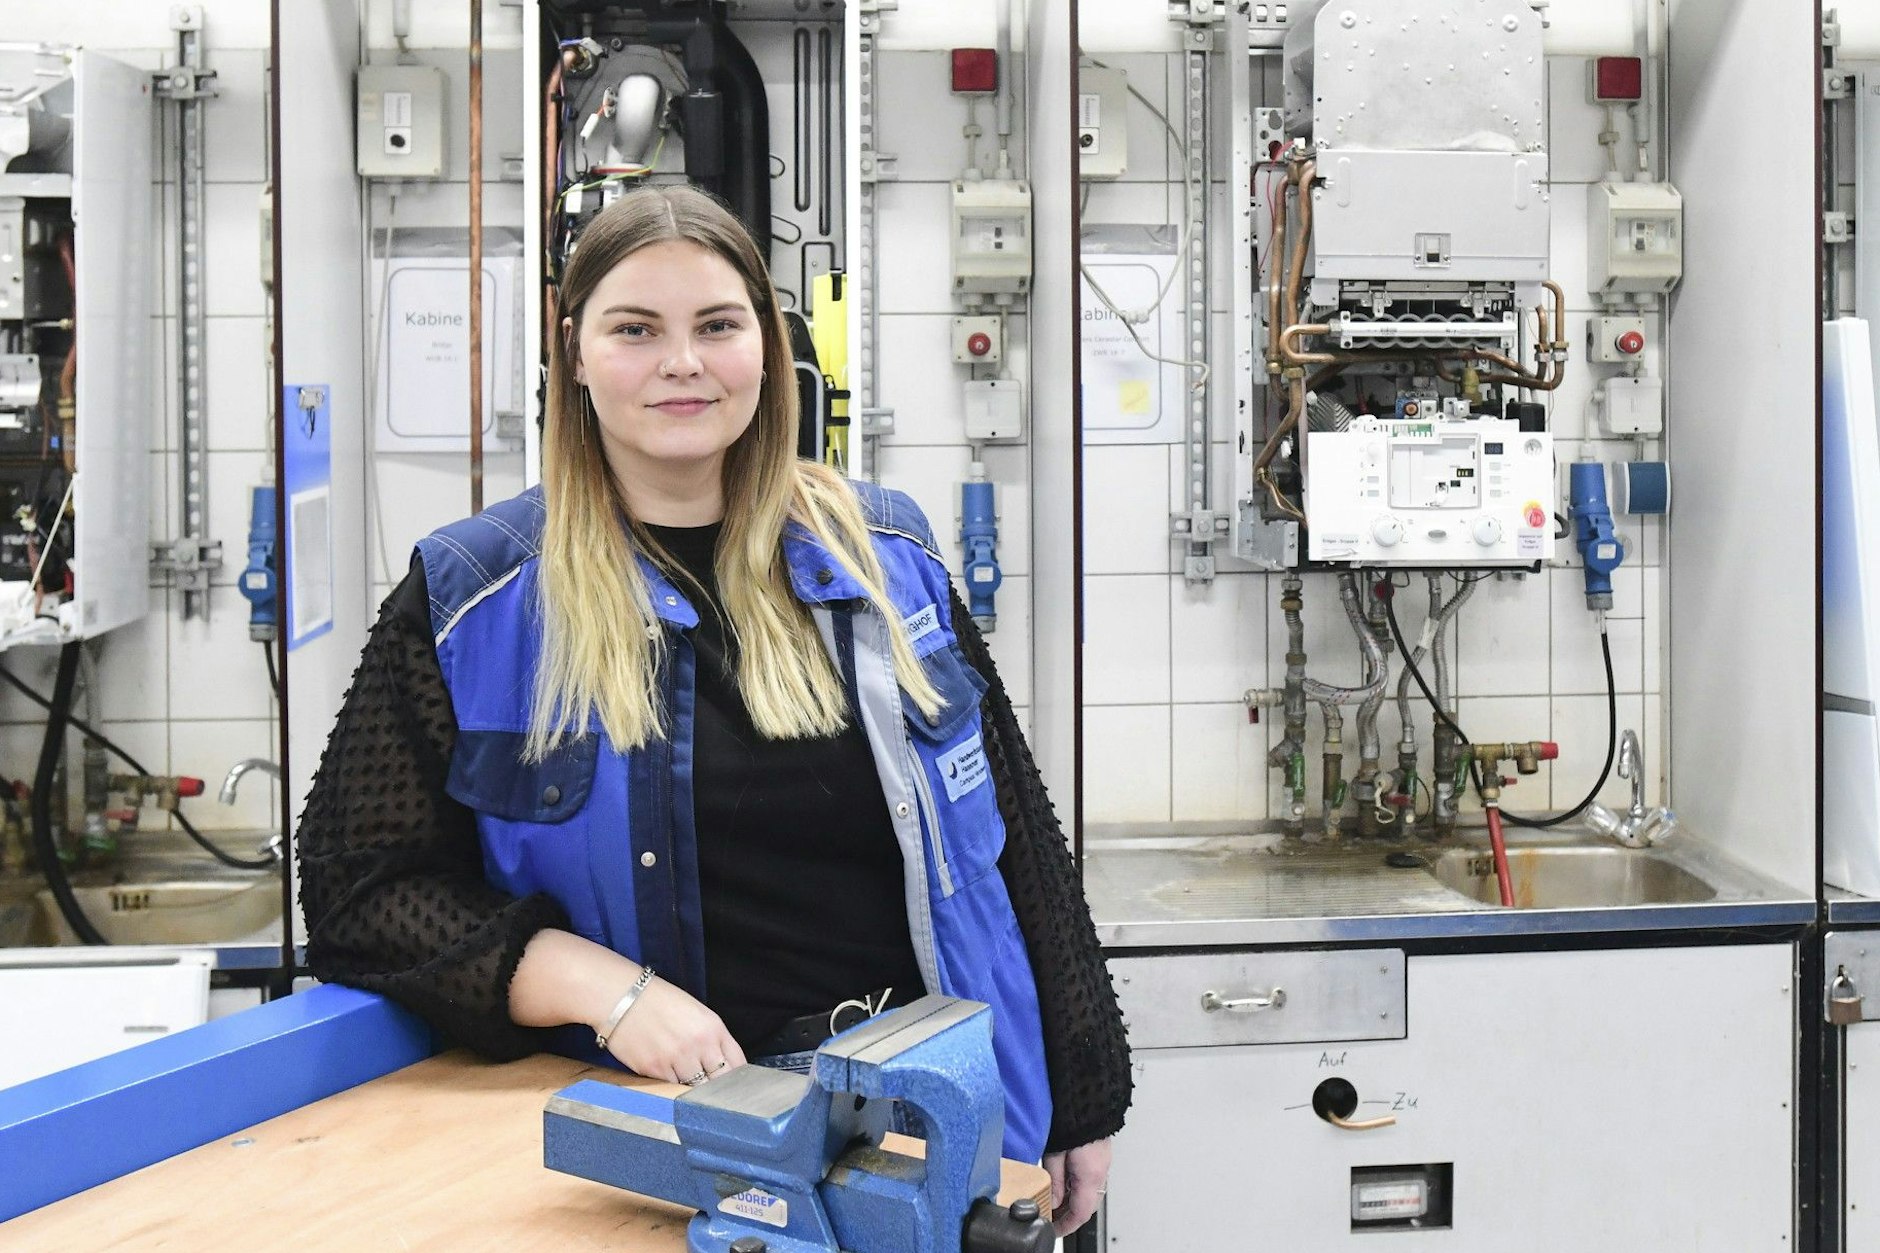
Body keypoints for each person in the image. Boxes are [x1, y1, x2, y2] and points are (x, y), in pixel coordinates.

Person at [297, 184, 1130, 1234]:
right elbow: (356, 892)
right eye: (636, 329)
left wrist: (1084, 1087)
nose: (682, 362)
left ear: (767, 349)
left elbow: (1018, 840)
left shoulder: (886, 554)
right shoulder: (474, 599)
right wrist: (607, 991)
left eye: (718, 325)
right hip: (680, 1152)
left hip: (946, 1120)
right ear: (574, 352)